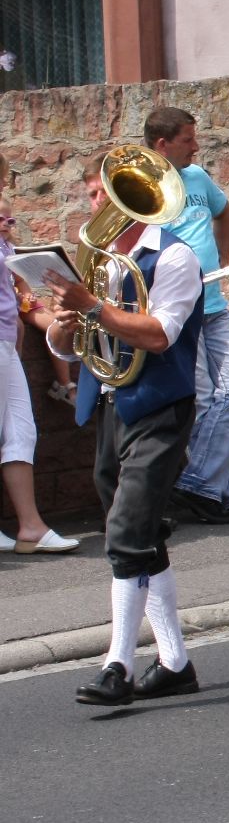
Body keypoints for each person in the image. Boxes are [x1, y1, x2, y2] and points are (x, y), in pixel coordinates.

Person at [54, 148, 204, 707]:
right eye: (93, 194)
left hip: (159, 405)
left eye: (104, 194)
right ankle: (175, 662)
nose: (97, 204)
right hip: (110, 403)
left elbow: (160, 333)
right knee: (142, 532)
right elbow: (61, 343)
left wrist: (91, 306)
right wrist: (66, 323)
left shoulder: (174, 258)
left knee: (125, 532)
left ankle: (116, 664)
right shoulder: (94, 260)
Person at [143, 108, 229, 528]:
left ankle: (196, 486)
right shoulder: (144, 188)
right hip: (177, 312)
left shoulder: (198, 178)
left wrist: (223, 260)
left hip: (213, 303)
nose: (196, 146)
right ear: (162, 144)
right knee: (206, 400)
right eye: (188, 139)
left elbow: (224, 213)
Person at [0, 155, 78, 554]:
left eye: (10, 221)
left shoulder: (6, 248)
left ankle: (30, 526)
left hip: (6, 347)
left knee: (20, 431)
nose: (6, 225)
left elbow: (28, 306)